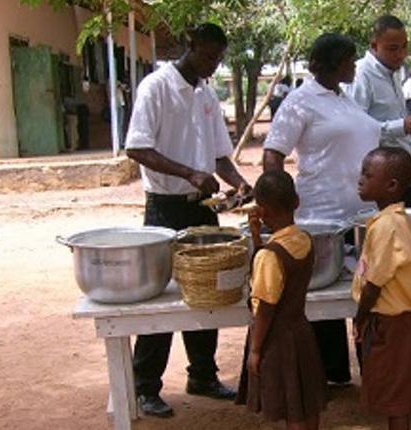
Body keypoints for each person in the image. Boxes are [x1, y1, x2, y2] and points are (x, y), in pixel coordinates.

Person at [124, 23, 249, 417]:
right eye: (208, 56)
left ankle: (203, 374)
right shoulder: (156, 87)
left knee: (206, 290)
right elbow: (137, 147)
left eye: (218, 58)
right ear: (189, 46)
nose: (213, 65)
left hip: (202, 206)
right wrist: (188, 174)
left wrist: (242, 184)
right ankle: (145, 386)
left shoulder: (205, 92)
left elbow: (217, 155)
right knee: (161, 296)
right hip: (165, 205)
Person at [263, 33, 380, 384]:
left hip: (360, 213)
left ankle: (371, 366)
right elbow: (273, 154)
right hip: (321, 213)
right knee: (322, 297)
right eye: (349, 60)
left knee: (366, 289)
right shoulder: (301, 101)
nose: (354, 66)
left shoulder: (344, 98)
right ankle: (332, 374)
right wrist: (280, 205)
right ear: (331, 64)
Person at [236, 171, 327, 430]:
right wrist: (257, 238)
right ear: (297, 202)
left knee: (291, 407)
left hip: (277, 340)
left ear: (261, 211)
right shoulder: (304, 239)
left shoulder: (270, 256)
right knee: (304, 400)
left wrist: (255, 350)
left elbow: (265, 308)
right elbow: (271, 266)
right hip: (301, 331)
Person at [352, 147, 411, 430]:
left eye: (368, 175)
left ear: (391, 185)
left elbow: (374, 284)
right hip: (396, 323)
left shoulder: (388, 226)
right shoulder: (397, 220)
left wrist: (361, 317)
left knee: (397, 399)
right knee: (396, 394)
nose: (360, 180)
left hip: (392, 324)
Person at [346, 14, 411, 208]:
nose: (401, 54)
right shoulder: (361, 74)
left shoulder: (392, 73)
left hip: (400, 170)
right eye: (393, 48)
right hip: (380, 179)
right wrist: (401, 126)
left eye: (404, 47)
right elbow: (356, 126)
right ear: (374, 45)